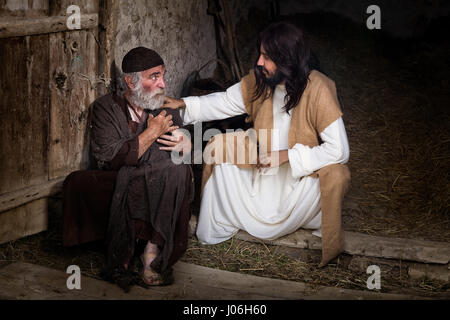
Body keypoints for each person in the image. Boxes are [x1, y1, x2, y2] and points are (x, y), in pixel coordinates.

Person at [164, 22, 351, 267]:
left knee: (336, 173)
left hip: (299, 190)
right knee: (219, 146)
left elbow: (340, 150)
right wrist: (183, 104)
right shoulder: (261, 81)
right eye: (260, 54)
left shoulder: (318, 88)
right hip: (261, 181)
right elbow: (223, 102)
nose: (259, 62)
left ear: (287, 59)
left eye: (267, 57)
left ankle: (303, 218)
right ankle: (233, 218)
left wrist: (287, 156)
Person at [62, 47, 193, 288]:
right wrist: (152, 132)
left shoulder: (166, 109)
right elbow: (109, 159)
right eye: (154, 77)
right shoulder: (104, 108)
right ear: (131, 82)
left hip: (156, 180)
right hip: (118, 182)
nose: (163, 83)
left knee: (178, 170)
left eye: (163, 75)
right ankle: (122, 254)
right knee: (81, 181)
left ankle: (151, 253)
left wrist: (185, 145)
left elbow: (182, 152)